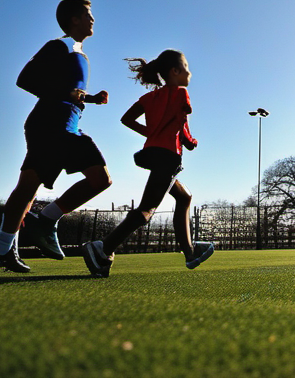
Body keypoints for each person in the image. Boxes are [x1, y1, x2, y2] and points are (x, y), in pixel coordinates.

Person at [0, 0, 112, 273]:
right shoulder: (58, 46)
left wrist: (91, 98)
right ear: (73, 19)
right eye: (88, 14)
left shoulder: (80, 54)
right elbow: (25, 79)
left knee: (28, 188)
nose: (93, 19)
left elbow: (68, 89)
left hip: (62, 123)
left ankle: (0, 250)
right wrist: (68, 94)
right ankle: (46, 220)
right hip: (52, 124)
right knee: (100, 178)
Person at [83, 49, 213, 277]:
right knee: (146, 210)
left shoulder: (149, 98)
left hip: (152, 153)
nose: (190, 73)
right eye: (187, 68)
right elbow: (182, 126)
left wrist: (150, 133)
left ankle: (190, 252)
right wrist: (191, 142)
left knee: (184, 197)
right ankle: (102, 248)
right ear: (175, 72)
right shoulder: (181, 93)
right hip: (169, 156)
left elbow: (126, 119)